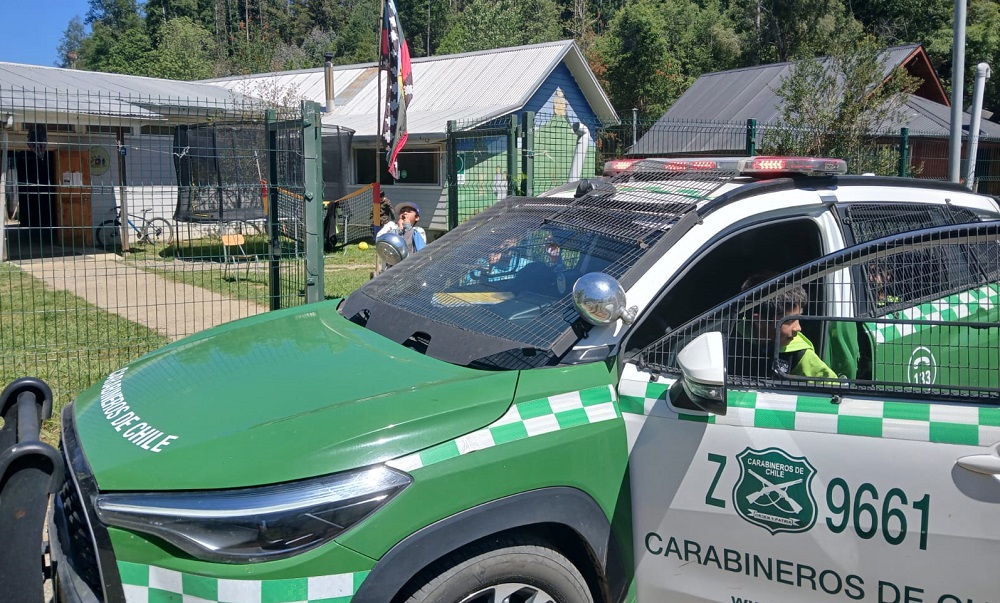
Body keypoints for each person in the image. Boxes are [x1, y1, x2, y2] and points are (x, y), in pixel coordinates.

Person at [733, 272, 838, 380]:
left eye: (799, 317)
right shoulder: (732, 338)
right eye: (789, 320)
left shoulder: (800, 353)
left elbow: (831, 387)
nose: (798, 328)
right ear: (759, 321)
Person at [463, 237, 529, 284]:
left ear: (515, 242)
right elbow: (470, 286)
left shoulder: (524, 265)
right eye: (498, 243)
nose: (502, 247)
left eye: (507, 245)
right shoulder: (481, 263)